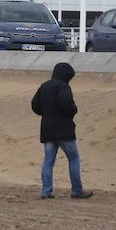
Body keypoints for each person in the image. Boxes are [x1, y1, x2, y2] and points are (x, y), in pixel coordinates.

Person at [31, 62, 93, 200]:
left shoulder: (44, 86)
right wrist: (73, 110)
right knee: (74, 158)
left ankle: (46, 191)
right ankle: (77, 190)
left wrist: (46, 113)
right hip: (63, 130)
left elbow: (35, 105)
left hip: (47, 129)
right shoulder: (63, 86)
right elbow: (66, 105)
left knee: (48, 161)